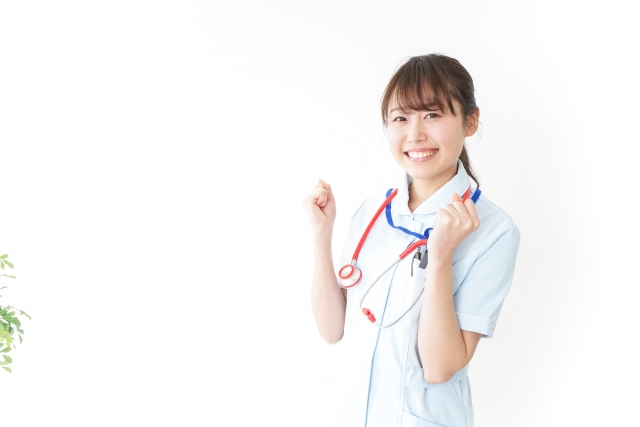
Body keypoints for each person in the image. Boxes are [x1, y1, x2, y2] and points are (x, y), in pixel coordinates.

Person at [301, 54, 520, 427]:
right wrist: (321, 235)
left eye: (432, 114)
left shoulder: (494, 231)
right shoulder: (371, 212)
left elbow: (439, 367)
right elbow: (332, 331)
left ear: (470, 121)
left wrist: (440, 258)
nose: (414, 134)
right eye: (400, 118)